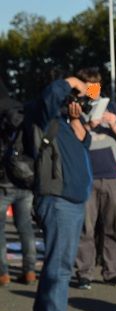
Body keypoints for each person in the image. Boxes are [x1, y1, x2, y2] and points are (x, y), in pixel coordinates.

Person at [30, 75, 94, 311]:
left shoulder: (66, 123)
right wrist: (73, 81)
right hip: (58, 201)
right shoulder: (44, 116)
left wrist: (77, 118)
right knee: (60, 264)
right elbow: (50, 95)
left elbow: (85, 142)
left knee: (57, 262)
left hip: (71, 201)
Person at [74, 68, 116, 290]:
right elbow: (72, 140)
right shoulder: (75, 107)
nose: (90, 90)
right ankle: (84, 273)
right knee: (86, 228)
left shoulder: (113, 107)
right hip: (85, 176)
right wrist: (87, 125)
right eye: (85, 86)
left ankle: (112, 271)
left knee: (113, 226)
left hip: (112, 176)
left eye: (93, 86)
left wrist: (113, 123)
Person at [0, 78, 37, 286]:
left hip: (3, 180)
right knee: (25, 226)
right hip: (24, 176)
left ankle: (3, 273)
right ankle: (29, 270)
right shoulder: (19, 108)